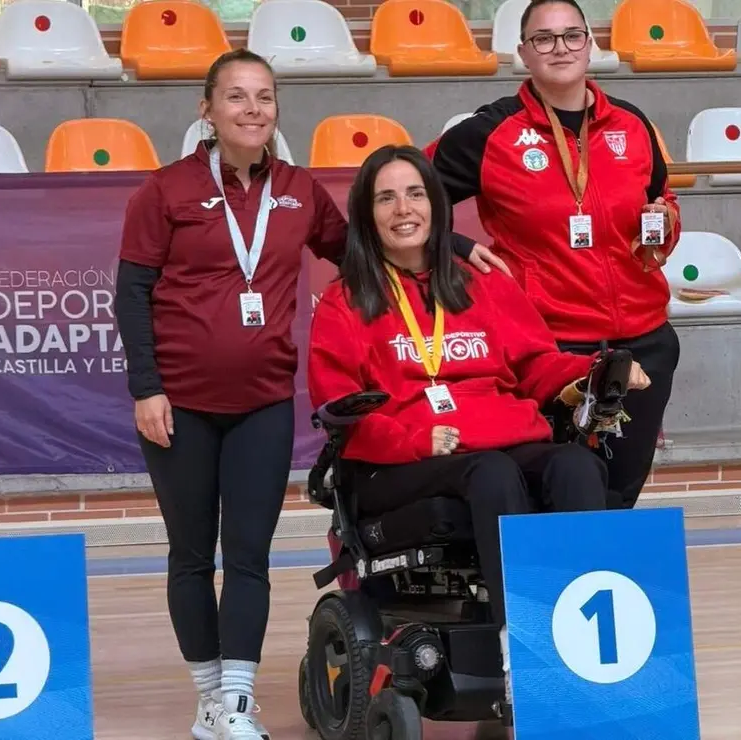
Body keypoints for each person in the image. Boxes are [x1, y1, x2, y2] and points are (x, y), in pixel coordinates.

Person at [113, 49, 504, 740]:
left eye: (264, 96)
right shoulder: (165, 191)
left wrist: (455, 245)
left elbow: (367, 244)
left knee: (249, 555)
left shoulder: (296, 190)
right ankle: (207, 698)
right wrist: (147, 388)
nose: (253, 109)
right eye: (236, 97)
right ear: (207, 110)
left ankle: (235, 703)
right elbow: (133, 293)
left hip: (262, 402)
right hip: (179, 404)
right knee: (191, 555)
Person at [306, 143, 650, 715]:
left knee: (575, 465)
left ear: (437, 206)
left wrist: (593, 373)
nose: (403, 208)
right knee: (490, 473)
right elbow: (340, 408)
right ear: (367, 216)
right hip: (398, 463)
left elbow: (537, 362)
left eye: (415, 193)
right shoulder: (347, 301)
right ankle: (521, 652)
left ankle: (585, 643)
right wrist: (411, 437)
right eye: (385, 197)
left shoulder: (479, 283)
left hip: (498, 442)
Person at [424, 0, 682, 510]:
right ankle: (545, 592)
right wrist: (456, 245)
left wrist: (666, 223)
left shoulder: (632, 124)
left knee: (619, 493)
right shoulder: (489, 132)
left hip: (643, 341)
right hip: (551, 344)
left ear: (590, 44)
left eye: (571, 36)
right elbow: (404, 193)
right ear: (522, 52)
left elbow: (660, 198)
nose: (559, 48)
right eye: (543, 38)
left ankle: (602, 587)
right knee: (559, 491)